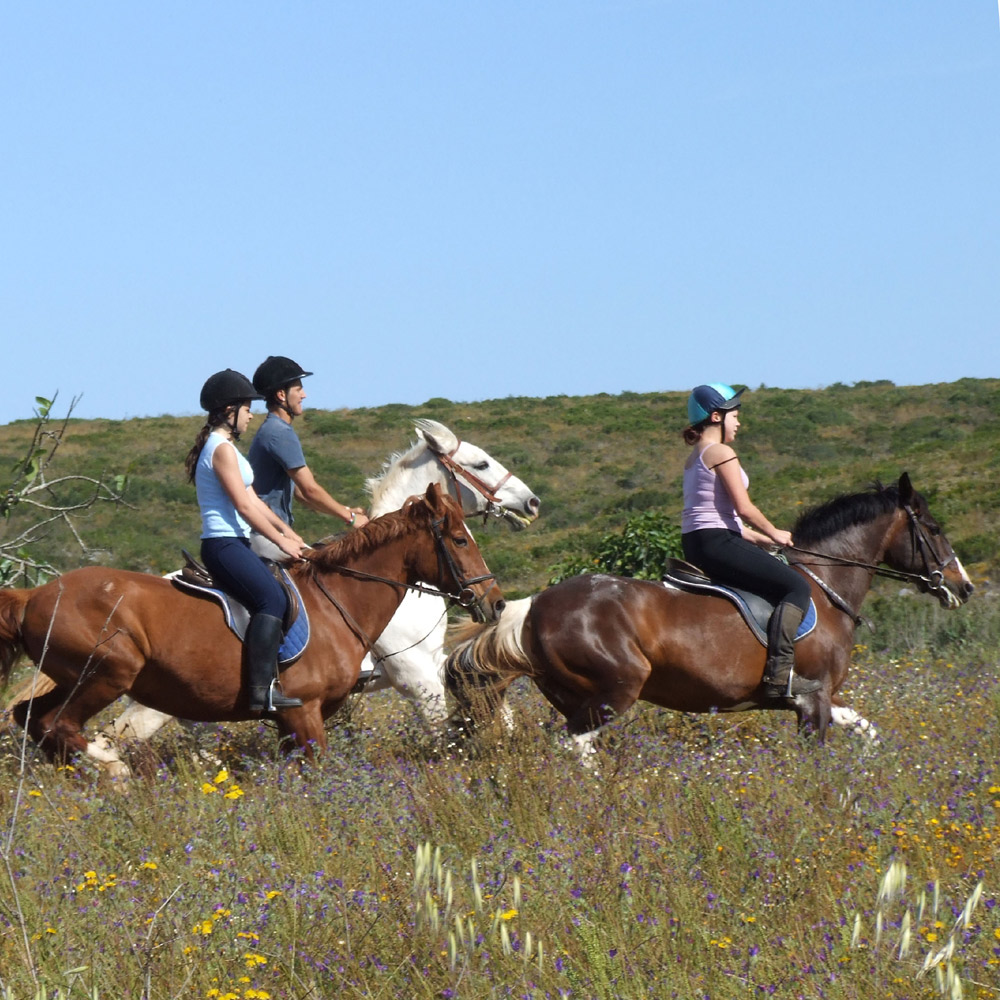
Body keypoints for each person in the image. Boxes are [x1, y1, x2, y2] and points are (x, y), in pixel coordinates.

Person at [680, 382, 820, 699]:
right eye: (734, 415)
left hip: (701, 541)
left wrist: (757, 540)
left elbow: (719, 515)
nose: (739, 422)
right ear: (716, 416)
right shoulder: (720, 452)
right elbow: (744, 508)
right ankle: (779, 675)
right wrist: (775, 533)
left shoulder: (695, 456)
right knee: (796, 587)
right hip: (717, 542)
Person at [185, 369, 308, 712]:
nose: (252, 414)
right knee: (272, 600)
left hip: (237, 542)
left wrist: (290, 534)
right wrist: (281, 542)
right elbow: (242, 505)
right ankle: (260, 691)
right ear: (229, 411)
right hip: (223, 544)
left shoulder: (228, 450)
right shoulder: (220, 449)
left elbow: (255, 501)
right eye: (246, 408)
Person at [247, 355, 369, 560]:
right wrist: (351, 518)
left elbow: (301, 495)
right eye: (298, 389)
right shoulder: (279, 433)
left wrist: (344, 510)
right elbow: (310, 490)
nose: (304, 395)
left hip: (269, 531)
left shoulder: (273, 430)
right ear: (281, 395)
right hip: (265, 534)